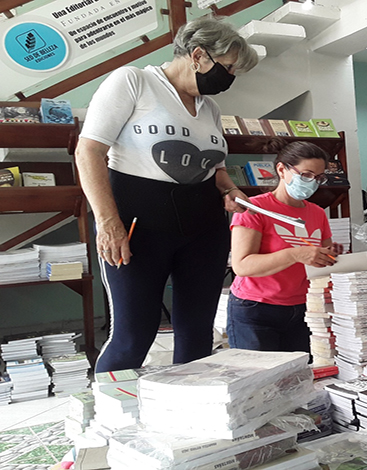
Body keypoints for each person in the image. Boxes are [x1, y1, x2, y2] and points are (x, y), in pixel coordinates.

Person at [76, 16, 259, 373]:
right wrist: (108, 222)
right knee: (134, 336)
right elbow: (89, 152)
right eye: (229, 67)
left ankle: (187, 418)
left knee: (196, 335)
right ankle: (106, 419)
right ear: (198, 55)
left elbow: (214, 167)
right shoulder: (134, 81)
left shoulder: (210, 108)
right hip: (137, 227)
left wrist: (232, 190)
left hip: (203, 228)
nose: (231, 78)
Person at [227, 138, 343, 354]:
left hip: (304, 309)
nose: (312, 182)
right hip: (256, 309)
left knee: (300, 378)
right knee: (260, 380)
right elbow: (242, 266)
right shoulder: (255, 208)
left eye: (318, 177)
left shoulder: (317, 212)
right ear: (282, 170)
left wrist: (332, 256)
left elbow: (323, 260)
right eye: (306, 175)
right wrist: (295, 254)